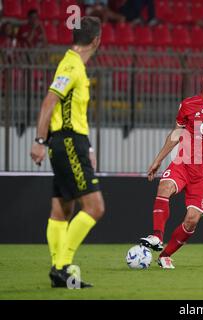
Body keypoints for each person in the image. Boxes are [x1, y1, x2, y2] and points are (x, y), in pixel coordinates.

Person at [30, 16, 104, 288]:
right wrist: (39, 139)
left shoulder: (73, 64)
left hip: (72, 141)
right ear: (97, 40)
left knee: (62, 208)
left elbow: (72, 111)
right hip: (69, 142)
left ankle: (58, 272)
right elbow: (49, 101)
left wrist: (90, 146)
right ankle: (62, 265)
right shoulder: (72, 66)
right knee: (95, 207)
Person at [139, 64, 203, 269]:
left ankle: (165, 255)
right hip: (183, 163)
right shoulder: (188, 104)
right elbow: (176, 134)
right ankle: (156, 236)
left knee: (192, 220)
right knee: (164, 187)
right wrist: (158, 159)